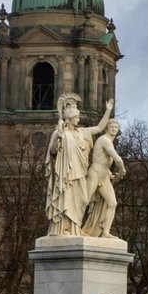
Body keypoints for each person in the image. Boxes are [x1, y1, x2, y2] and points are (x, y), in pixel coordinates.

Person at [44, 95, 113, 236]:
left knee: (81, 201)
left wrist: (108, 111)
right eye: (76, 117)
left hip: (80, 172)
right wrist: (58, 137)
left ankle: (75, 228)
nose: (79, 119)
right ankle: (63, 229)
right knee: (66, 200)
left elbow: (100, 127)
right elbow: (52, 151)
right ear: (69, 118)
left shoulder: (83, 132)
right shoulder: (59, 133)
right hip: (65, 174)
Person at [80, 119, 127, 238]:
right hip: (95, 173)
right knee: (85, 200)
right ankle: (75, 226)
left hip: (104, 176)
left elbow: (105, 162)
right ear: (106, 128)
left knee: (112, 203)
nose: (114, 129)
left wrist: (111, 174)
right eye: (111, 126)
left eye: (116, 127)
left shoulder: (109, 142)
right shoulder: (104, 140)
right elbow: (117, 159)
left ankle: (105, 232)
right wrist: (122, 169)